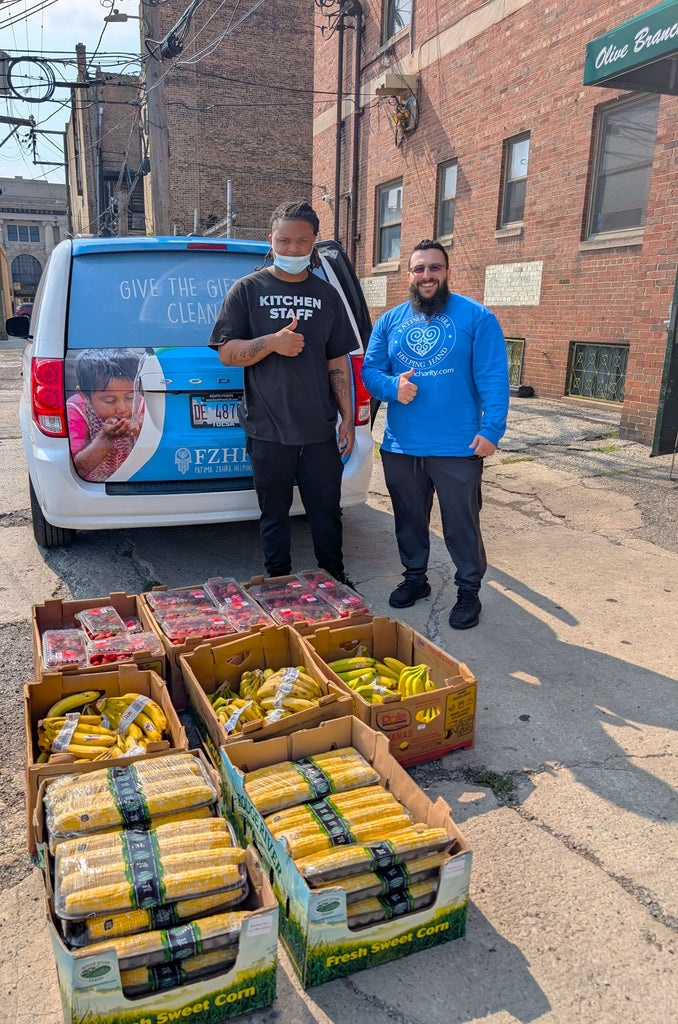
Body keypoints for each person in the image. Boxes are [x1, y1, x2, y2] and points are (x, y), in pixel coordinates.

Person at [361, 239, 509, 629]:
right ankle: (415, 579)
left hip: (458, 445)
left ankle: (468, 592)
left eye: (434, 268)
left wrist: (492, 429)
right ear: (408, 275)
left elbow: (494, 377)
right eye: (419, 268)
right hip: (401, 444)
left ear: (447, 272)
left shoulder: (477, 317)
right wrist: (393, 388)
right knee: (409, 520)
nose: (426, 275)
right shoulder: (390, 321)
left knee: (462, 524)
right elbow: (370, 371)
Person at [207, 201, 355, 584]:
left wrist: (349, 419)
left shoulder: (327, 296)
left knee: (326, 511)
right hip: (267, 428)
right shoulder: (247, 290)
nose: (292, 249)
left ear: (313, 244)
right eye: (284, 240)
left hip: (319, 429)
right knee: (274, 513)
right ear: (270, 241)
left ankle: (334, 580)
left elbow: (337, 361)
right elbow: (226, 353)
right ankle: (278, 584)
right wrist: (272, 342)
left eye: (301, 241)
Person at [66, 348, 144, 483]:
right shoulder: (76, 411)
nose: (123, 409)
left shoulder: (142, 405)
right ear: (85, 396)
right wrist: (105, 438)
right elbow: (76, 469)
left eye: (130, 397)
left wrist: (144, 432)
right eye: (109, 400)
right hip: (94, 487)